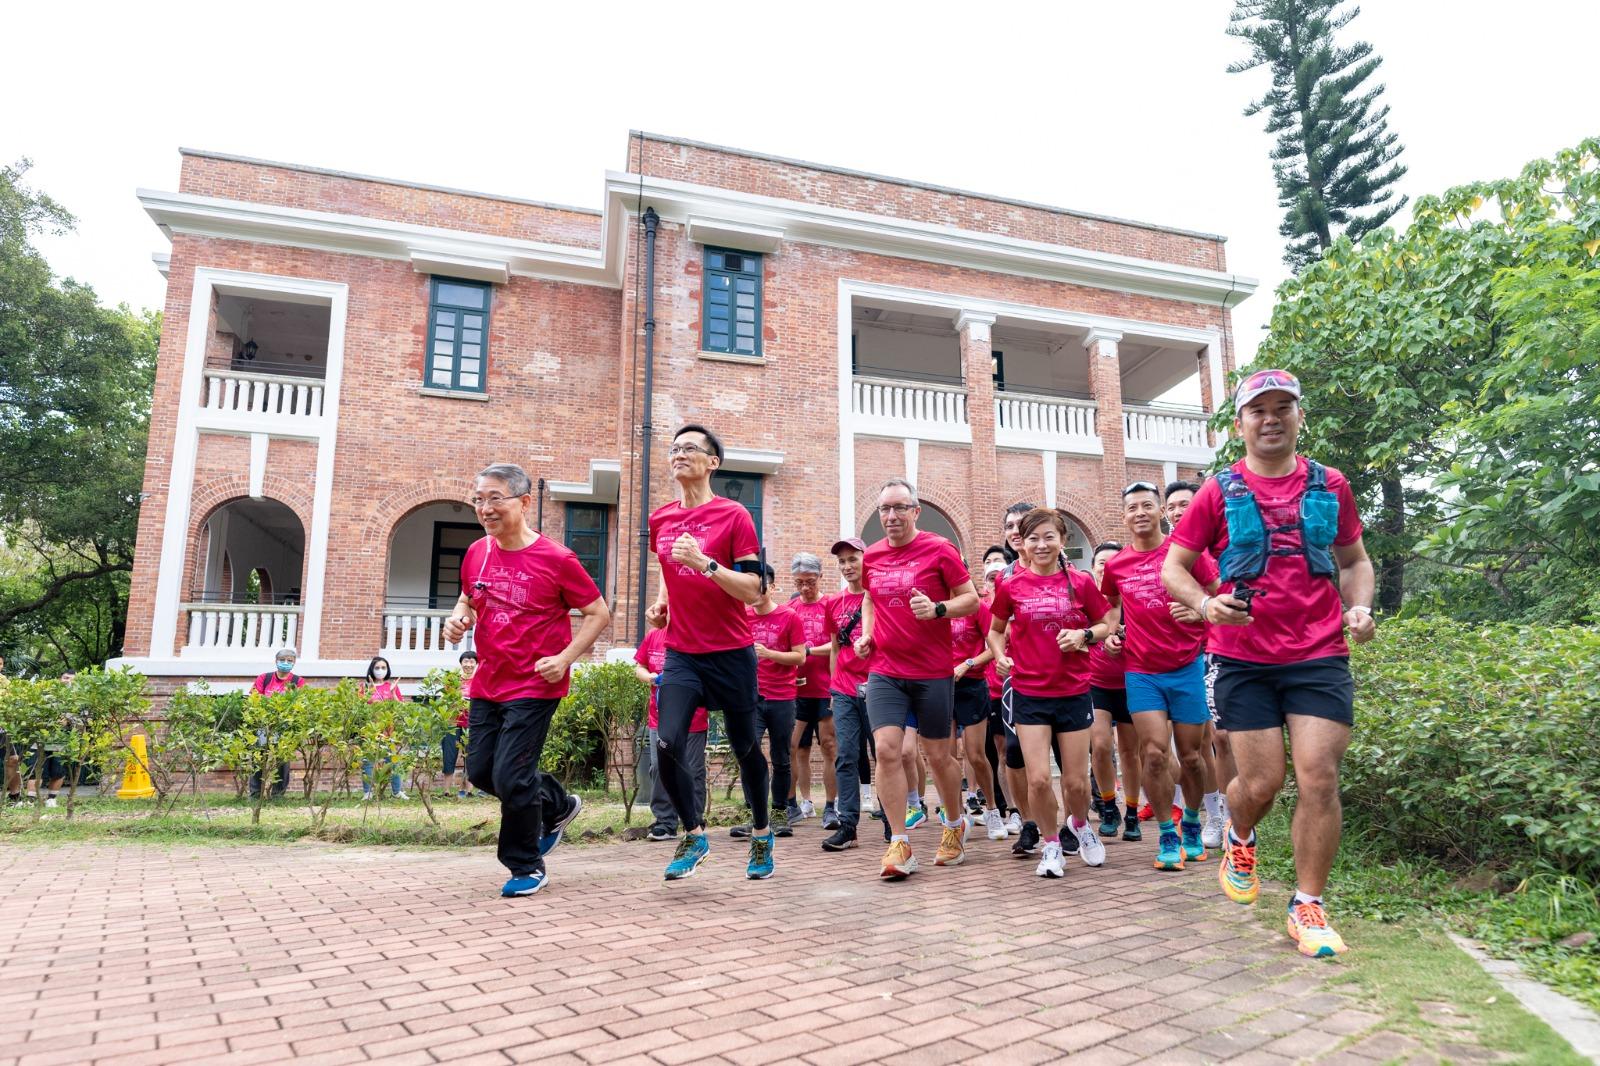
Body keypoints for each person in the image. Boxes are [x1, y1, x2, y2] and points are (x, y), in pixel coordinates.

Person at [1163, 368, 1375, 958]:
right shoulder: (1218, 492)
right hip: (1244, 660)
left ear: (1299, 416)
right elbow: (1173, 568)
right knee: (1261, 783)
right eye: (1259, 409)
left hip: (1319, 654)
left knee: (1319, 776)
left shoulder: (1330, 485)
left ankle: (1308, 905)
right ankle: (1239, 834)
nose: (1272, 417)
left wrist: (1359, 607)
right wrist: (1206, 605)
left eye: (1284, 407)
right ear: (1241, 423)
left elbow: (1355, 560)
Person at [443, 462, 610, 898]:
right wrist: (459, 617)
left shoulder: (557, 559)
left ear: (524, 502)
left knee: (512, 775)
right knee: (482, 772)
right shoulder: (477, 551)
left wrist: (566, 658)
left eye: (495, 498)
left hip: (536, 682)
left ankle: (525, 865)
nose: (485, 507)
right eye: (479, 499)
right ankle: (557, 805)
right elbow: (467, 598)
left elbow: (598, 612)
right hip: (489, 679)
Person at [645, 424, 775, 881]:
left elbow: (753, 590)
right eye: (675, 448)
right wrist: (663, 602)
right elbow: (667, 567)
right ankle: (694, 833)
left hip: (732, 652)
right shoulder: (660, 518)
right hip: (682, 652)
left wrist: (706, 564)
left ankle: (762, 833)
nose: (679, 454)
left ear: (712, 462)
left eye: (690, 449)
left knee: (745, 749)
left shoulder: (734, 515)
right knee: (666, 742)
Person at [854, 477, 981, 880]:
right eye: (884, 509)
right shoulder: (871, 556)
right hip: (886, 669)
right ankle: (899, 842)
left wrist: (940, 609)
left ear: (915, 511)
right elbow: (869, 597)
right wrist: (867, 634)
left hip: (932, 671)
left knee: (939, 755)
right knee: (888, 750)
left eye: (898, 508)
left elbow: (971, 599)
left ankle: (952, 824)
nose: (890, 516)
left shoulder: (939, 549)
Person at [987, 508, 1113, 878]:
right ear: (1022, 545)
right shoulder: (1010, 586)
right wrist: (1000, 656)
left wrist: (1084, 636)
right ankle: (1051, 845)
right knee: (1039, 778)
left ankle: (1079, 824)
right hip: (1029, 692)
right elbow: (995, 631)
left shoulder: (1082, 583)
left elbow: (1107, 623)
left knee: (1075, 782)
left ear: (1062, 540)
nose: (1041, 545)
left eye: (1048, 537)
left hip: (1073, 691)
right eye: (1032, 539)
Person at [1102, 483, 1221, 871]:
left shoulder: (1185, 554)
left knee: (1191, 757)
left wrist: (1202, 614)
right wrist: (1114, 638)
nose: (1140, 512)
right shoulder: (1117, 565)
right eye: (1132, 507)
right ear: (1124, 516)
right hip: (1141, 671)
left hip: (1186, 665)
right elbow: (1112, 612)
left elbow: (1219, 596)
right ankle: (1168, 834)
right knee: (1153, 754)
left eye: (1147, 506)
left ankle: (1191, 820)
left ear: (1160, 513)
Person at [1167, 478, 1233, 848]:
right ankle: (1207, 810)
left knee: (1216, 739)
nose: (1178, 512)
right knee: (1190, 746)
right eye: (1173, 506)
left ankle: (1222, 812)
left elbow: (1227, 598)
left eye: (1185, 505)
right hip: (1170, 662)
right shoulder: (1166, 552)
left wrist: (1202, 612)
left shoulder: (1210, 552)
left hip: (1213, 653)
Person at [732, 564, 805, 840]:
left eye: (761, 585)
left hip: (782, 697)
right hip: (750, 697)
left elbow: (800, 657)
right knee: (748, 755)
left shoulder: (789, 617)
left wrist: (769, 653)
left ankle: (779, 812)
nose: (755, 591)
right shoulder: (742, 616)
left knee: (781, 757)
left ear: (772, 588)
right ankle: (756, 816)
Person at [1087, 541, 1142, 842]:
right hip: (1096, 683)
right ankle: (1109, 806)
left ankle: (1132, 811)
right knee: (1101, 745)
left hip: (1131, 681)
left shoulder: (1133, 599)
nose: (1107, 568)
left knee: (1131, 752)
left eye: (1113, 563)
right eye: (1101, 564)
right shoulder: (1086, 600)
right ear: (1094, 569)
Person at [632, 628, 709, 841]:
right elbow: (640, 667)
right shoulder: (654, 636)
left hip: (694, 719)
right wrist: (650, 677)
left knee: (692, 770)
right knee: (658, 768)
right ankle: (665, 822)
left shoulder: (699, 635)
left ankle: (693, 821)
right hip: (659, 718)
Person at [820, 538, 871, 853]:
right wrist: (833, 687)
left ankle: (894, 823)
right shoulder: (833, 603)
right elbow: (836, 647)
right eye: (842, 562)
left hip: (878, 685)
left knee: (887, 755)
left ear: (865, 559)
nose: (848, 567)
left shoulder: (877, 598)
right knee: (846, 755)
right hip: (843, 689)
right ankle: (848, 825)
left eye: (853, 559)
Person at [786, 552, 840, 829]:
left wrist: (808, 651)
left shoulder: (830, 604)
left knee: (829, 746)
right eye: (799, 583)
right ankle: (796, 803)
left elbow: (837, 644)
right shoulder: (790, 608)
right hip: (796, 689)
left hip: (825, 686)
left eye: (809, 581)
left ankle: (831, 806)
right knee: (793, 747)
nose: (805, 588)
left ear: (820, 577)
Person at [948, 573, 995, 833]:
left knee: (976, 754)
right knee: (947, 758)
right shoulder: (936, 607)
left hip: (972, 685)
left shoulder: (978, 606)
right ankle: (956, 817)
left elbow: (994, 646)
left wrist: (967, 664)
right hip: (942, 687)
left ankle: (992, 810)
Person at [248, 649, 303, 799]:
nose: (286, 663)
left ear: (294, 663)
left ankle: (278, 794)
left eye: (290, 660)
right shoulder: (264, 678)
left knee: (282, 760)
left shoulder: (297, 681)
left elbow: (300, 703)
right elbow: (254, 697)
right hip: (264, 725)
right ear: (276, 660)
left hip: (284, 726)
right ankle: (255, 793)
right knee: (260, 757)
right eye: (283, 659)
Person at [360, 655, 407, 801]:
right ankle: (368, 792)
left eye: (383, 668)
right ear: (371, 670)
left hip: (389, 730)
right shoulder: (364, 687)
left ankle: (397, 792)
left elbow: (401, 707)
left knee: (393, 761)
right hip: (371, 729)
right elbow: (360, 707)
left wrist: (393, 693)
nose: (380, 670)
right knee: (368, 761)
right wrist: (370, 691)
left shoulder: (391, 686)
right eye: (377, 668)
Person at [441, 652, 476, 799]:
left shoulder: (479, 681)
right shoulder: (453, 681)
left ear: (476, 664)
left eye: (472, 661)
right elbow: (444, 700)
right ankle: (446, 790)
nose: (468, 664)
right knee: (449, 755)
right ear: (461, 663)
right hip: (453, 724)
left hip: (472, 724)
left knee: (471, 756)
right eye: (465, 661)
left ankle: (469, 790)